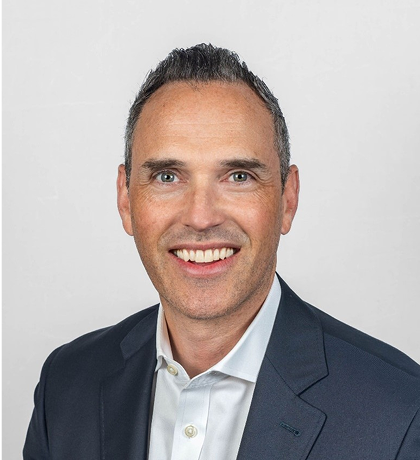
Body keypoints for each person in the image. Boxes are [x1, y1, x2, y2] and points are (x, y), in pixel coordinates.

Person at [24, 44, 420, 460]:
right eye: (167, 176)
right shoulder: (66, 385)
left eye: (238, 176)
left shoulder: (401, 413)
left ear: (288, 199)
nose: (200, 217)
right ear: (126, 201)